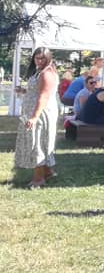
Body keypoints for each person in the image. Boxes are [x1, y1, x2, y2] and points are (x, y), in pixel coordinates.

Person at [14, 47, 60, 189]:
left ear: (49, 58)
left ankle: (39, 179)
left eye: (42, 58)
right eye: (37, 58)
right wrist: (24, 91)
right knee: (41, 140)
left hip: (41, 113)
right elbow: (37, 91)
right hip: (34, 110)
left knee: (37, 142)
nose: (39, 61)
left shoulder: (47, 73)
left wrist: (34, 117)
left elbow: (44, 96)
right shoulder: (40, 72)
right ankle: (48, 171)